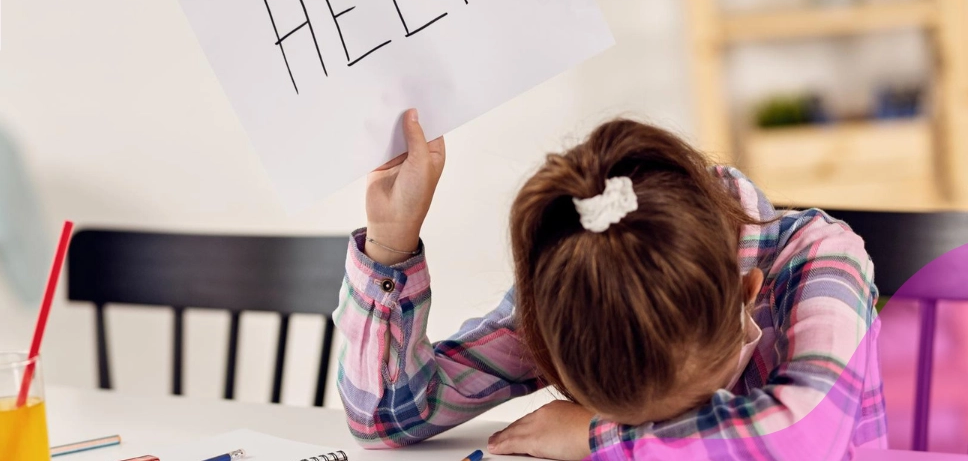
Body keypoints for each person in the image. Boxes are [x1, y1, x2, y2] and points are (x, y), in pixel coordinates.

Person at [334, 110, 885, 460]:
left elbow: (803, 440)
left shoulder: (820, 258)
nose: (660, 434)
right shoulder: (583, 298)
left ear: (745, 298)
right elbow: (385, 415)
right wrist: (391, 241)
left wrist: (596, 435)